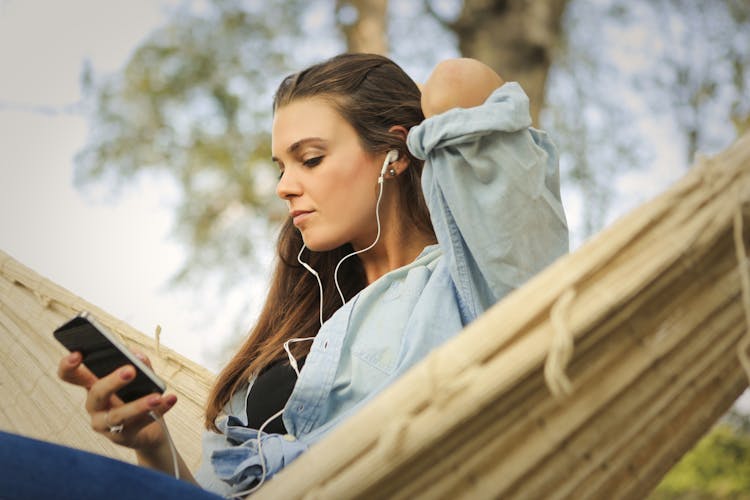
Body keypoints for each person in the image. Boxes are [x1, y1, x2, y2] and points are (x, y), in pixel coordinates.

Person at [1, 53, 568, 499]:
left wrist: (424, 140)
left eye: (311, 158)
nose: (284, 186)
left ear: (394, 153)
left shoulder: (475, 281)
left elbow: (457, 81)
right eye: (282, 166)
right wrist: (152, 446)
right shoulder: (299, 322)